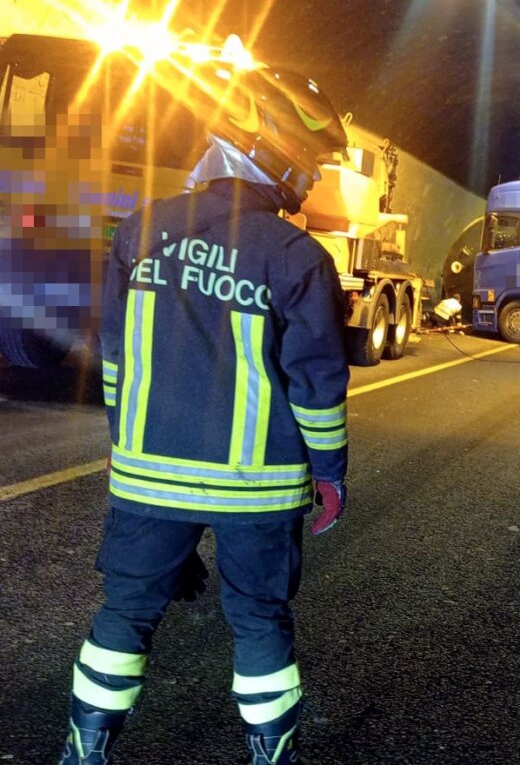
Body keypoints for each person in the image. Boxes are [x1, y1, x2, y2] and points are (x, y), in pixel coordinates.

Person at [58, 66, 351, 765]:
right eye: (307, 165)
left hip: (147, 478)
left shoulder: (139, 232)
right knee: (258, 621)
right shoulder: (297, 257)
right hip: (258, 490)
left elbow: (118, 360)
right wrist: (332, 475)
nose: (310, 182)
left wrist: (122, 443)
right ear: (273, 154)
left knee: (125, 614)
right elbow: (315, 387)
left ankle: (83, 752)